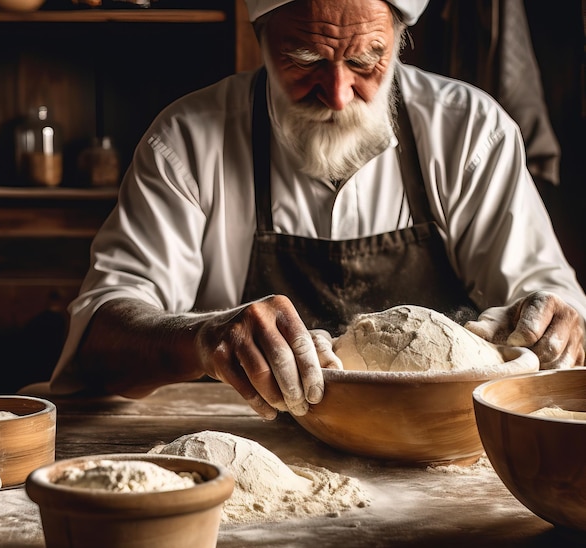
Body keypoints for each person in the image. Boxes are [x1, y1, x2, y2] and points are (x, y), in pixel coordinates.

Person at [50, 0, 586, 419]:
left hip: (435, 456)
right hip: (253, 451)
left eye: (365, 60)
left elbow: (552, 309)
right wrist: (203, 337)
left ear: (399, 40)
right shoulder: (189, 142)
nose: (336, 93)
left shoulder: (470, 133)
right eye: (304, 60)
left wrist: (556, 324)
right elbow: (102, 339)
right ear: (259, 40)